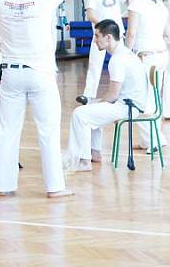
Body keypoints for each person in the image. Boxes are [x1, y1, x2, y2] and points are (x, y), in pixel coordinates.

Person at [0, 0, 75, 198]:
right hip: (40, 74)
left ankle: (2, 185)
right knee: (48, 131)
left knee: (6, 130)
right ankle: (55, 187)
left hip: (11, 74)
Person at [63, 19, 148, 172]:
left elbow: (113, 95)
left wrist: (96, 103)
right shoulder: (126, 54)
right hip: (132, 104)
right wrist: (96, 103)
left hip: (128, 107)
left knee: (79, 114)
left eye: (97, 36)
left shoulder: (118, 59)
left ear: (108, 37)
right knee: (92, 109)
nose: (94, 41)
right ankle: (94, 152)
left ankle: (83, 161)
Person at [125, 0, 169, 153]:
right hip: (161, 54)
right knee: (155, 97)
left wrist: (126, 54)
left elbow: (131, 32)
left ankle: (154, 140)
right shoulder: (161, 6)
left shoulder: (137, 4)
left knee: (141, 100)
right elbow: (166, 33)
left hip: (146, 57)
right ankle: (151, 138)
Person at [78, 0, 131, 103]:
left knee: (122, 62)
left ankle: (125, 93)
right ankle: (88, 95)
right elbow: (90, 14)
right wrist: (102, 26)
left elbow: (128, 2)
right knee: (95, 64)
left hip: (117, 34)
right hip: (101, 35)